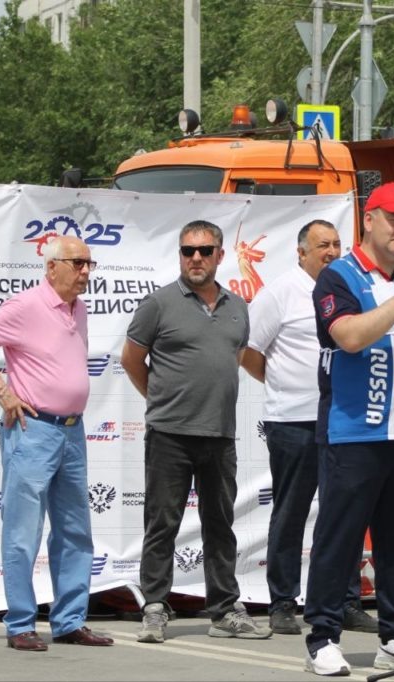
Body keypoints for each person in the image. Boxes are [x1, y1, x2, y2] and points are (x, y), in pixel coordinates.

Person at [302, 182, 394, 676]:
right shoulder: (339, 277)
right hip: (353, 430)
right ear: (368, 219)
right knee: (339, 539)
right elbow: (350, 337)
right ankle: (321, 636)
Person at [0, 235, 114, 652]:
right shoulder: (27, 305)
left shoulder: (77, 309)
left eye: (89, 264)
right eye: (77, 263)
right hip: (34, 430)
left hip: (72, 431)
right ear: (51, 267)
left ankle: (69, 621)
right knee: (23, 532)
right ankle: (21, 623)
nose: (85, 272)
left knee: (75, 532)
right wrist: (3, 391)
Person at [121, 220, 271, 643]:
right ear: (180, 255)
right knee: (162, 522)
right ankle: (154, 607)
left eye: (205, 251)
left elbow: (236, 357)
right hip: (169, 434)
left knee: (220, 523)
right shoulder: (159, 303)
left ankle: (223, 610)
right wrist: (160, 400)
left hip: (219, 435)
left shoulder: (238, 307)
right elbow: (132, 359)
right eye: (188, 251)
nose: (196, 259)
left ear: (221, 255)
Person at [241, 219, 377, 636]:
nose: (332, 251)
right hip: (293, 421)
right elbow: (249, 352)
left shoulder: (350, 288)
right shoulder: (280, 292)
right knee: (291, 512)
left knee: (344, 513)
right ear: (301, 252)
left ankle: (346, 601)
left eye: (337, 244)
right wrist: (283, 384)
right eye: (322, 245)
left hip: (341, 417)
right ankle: (282, 602)